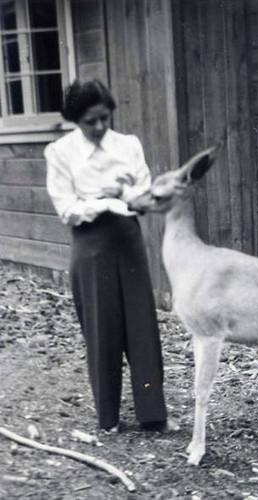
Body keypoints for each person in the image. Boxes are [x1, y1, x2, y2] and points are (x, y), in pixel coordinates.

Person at [45, 79, 177, 433]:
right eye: (91, 121)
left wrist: (123, 192)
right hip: (90, 246)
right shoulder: (60, 153)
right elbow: (67, 209)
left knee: (142, 327)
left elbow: (146, 192)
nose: (100, 127)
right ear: (75, 119)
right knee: (102, 330)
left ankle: (153, 414)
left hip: (128, 240)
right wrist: (107, 199)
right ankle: (109, 418)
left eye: (105, 118)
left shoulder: (128, 145)